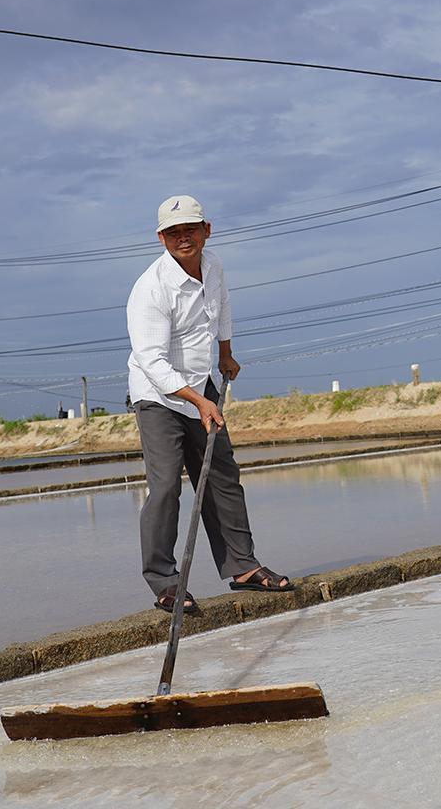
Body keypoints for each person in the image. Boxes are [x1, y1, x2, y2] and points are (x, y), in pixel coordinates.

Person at [126, 194, 294, 615]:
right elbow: (152, 361)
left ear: (206, 229)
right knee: (165, 487)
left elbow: (221, 311)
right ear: (161, 238)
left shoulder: (214, 265)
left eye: (190, 229)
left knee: (221, 474)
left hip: (201, 384)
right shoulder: (151, 289)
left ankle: (242, 566)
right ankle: (165, 583)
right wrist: (199, 400)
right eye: (173, 233)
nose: (183, 238)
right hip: (159, 395)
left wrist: (225, 351)